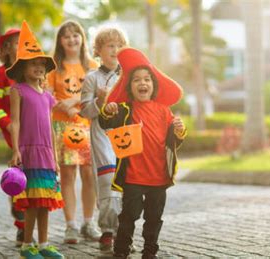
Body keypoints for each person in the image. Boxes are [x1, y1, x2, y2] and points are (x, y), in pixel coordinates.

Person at [98, 48, 187, 259]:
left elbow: (173, 142)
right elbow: (105, 122)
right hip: (133, 178)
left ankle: (150, 252)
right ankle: (121, 251)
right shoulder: (125, 109)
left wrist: (179, 130)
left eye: (147, 79)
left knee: (154, 218)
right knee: (129, 216)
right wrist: (108, 110)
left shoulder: (164, 110)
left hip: (159, 177)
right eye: (137, 80)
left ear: (154, 85)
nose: (142, 83)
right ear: (130, 86)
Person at [6, 21, 64, 259]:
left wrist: (56, 157)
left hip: (46, 153)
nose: (39, 67)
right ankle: (26, 245)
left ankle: (44, 244)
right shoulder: (17, 90)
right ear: (22, 68)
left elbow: (50, 127)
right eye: (34, 64)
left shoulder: (48, 96)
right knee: (31, 202)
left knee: (44, 201)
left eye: (42, 64)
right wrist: (16, 150)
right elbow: (15, 122)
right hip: (28, 152)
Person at [47, 20, 100, 244]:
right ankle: (71, 225)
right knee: (68, 175)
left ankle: (89, 222)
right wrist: (63, 105)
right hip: (63, 126)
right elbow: (47, 96)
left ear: (82, 38)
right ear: (60, 41)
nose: (72, 39)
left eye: (76, 35)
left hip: (87, 125)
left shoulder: (92, 66)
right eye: (66, 36)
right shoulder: (53, 67)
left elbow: (99, 93)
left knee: (89, 175)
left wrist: (73, 100)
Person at [80, 27, 127, 251]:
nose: (115, 50)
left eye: (119, 45)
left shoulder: (128, 77)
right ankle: (107, 230)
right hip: (102, 139)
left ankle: (124, 232)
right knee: (108, 183)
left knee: (127, 187)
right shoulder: (91, 78)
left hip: (126, 138)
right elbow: (85, 112)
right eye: (110, 46)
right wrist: (99, 101)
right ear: (98, 50)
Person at [0, 28, 28, 246]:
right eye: (14, 42)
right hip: (13, 132)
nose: (19, 45)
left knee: (35, 175)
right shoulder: (0, 74)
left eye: (22, 41)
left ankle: (31, 224)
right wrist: (9, 125)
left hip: (33, 131)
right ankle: (21, 223)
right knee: (19, 174)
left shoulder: (31, 70)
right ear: (5, 48)